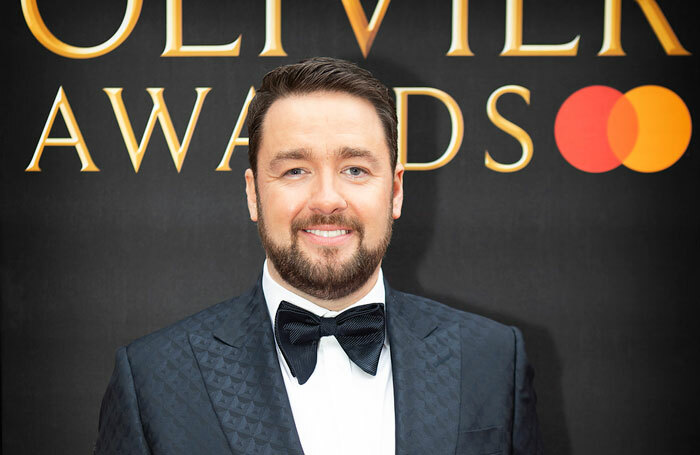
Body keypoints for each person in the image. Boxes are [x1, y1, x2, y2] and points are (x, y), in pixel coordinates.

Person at [94, 57, 542, 455]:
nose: (327, 199)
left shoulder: (493, 357)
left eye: (355, 169)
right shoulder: (153, 379)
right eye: (295, 170)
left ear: (396, 191)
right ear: (253, 194)